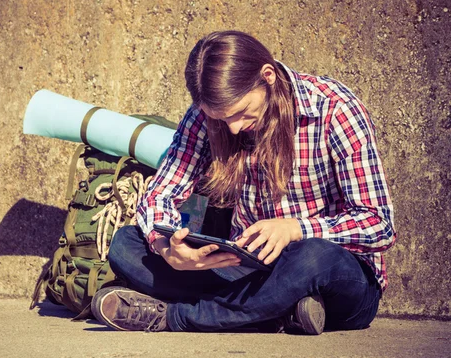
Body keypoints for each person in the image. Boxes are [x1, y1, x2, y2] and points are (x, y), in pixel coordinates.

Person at [91, 30, 396, 334]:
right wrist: (166, 248)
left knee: (311, 257)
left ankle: (175, 318)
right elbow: (161, 194)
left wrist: (295, 229)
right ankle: (274, 311)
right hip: (246, 268)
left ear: (268, 77)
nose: (234, 128)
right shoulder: (206, 116)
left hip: (335, 276)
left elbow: (379, 225)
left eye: (239, 112)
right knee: (126, 244)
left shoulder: (335, 110)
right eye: (221, 119)